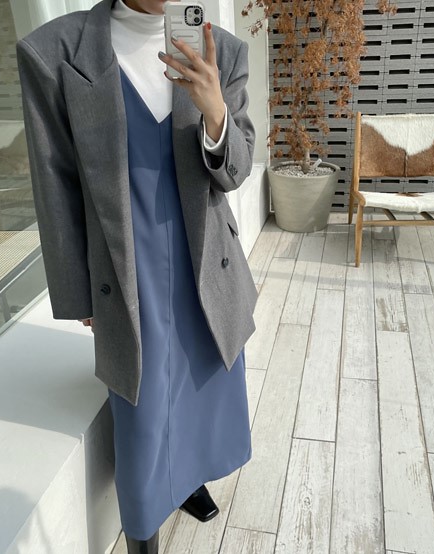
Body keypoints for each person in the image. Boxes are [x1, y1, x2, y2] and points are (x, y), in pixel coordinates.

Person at [15, 0, 258, 552]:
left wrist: (215, 113)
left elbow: (237, 170)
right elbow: (55, 184)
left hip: (204, 258)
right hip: (126, 263)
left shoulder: (224, 51)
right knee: (143, 405)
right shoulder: (54, 53)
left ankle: (188, 480)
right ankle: (143, 528)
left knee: (200, 379)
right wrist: (78, 290)